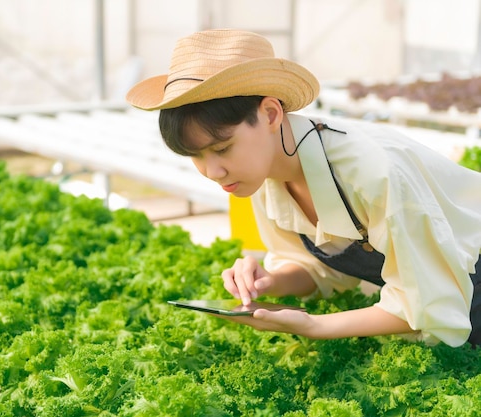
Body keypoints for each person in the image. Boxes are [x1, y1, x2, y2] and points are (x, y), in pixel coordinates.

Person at [125, 29, 481, 347]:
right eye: (195, 156)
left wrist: (312, 325)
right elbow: (320, 269)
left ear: (269, 115)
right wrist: (272, 281)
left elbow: (432, 305)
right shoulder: (259, 175)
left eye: (221, 148)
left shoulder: (373, 172)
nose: (211, 171)